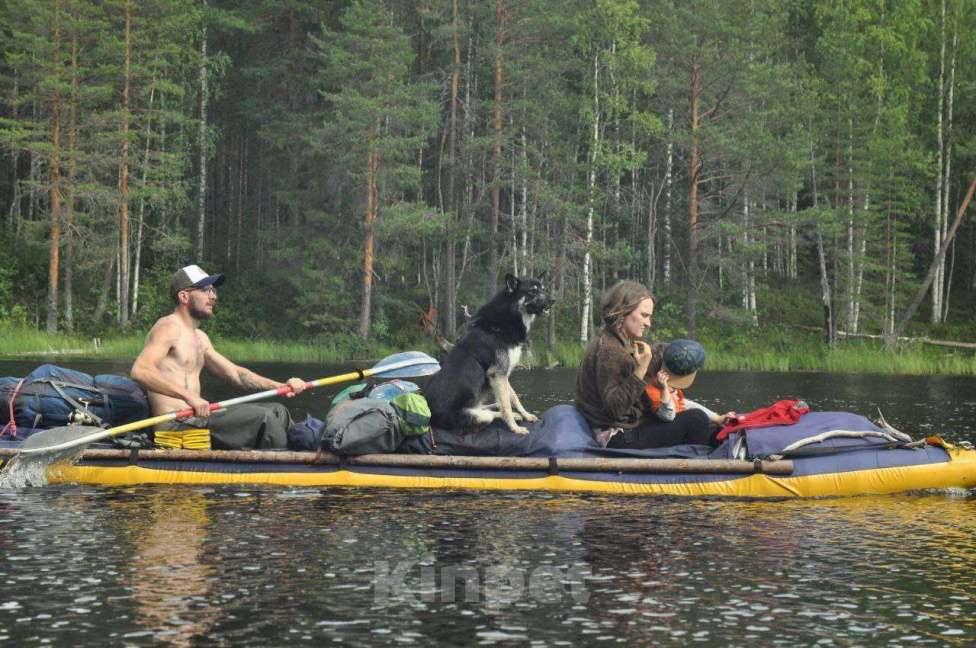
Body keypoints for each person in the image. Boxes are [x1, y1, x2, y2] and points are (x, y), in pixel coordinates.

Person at [131, 264, 306, 450]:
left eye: (213, 290)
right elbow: (140, 371)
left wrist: (281, 386)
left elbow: (237, 375)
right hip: (177, 427)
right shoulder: (168, 327)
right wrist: (188, 396)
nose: (213, 296)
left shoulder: (200, 338)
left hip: (198, 419)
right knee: (264, 418)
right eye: (206, 290)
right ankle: (288, 470)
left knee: (278, 412)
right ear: (184, 296)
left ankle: (309, 457)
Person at [640, 339, 737, 448]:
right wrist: (664, 390)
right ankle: (697, 457)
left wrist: (717, 418)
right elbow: (667, 416)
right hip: (658, 436)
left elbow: (684, 403)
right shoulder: (651, 390)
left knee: (717, 429)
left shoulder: (668, 387)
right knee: (697, 418)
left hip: (675, 431)